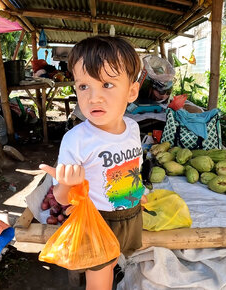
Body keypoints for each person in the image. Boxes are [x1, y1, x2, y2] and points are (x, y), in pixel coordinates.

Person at [39, 36, 144, 290]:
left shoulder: (132, 128)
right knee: (99, 279)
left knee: (118, 257)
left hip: (130, 215)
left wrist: (140, 193)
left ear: (131, 91)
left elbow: (133, 166)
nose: (94, 97)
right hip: (95, 222)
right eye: (84, 86)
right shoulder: (76, 140)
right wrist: (65, 183)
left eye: (107, 84)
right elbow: (62, 198)